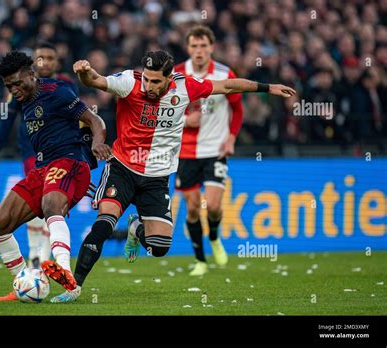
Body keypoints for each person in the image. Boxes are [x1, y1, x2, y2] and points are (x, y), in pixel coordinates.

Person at [53, 50, 295, 303]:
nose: (148, 85)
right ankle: (74, 286)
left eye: (155, 81)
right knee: (103, 225)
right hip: (122, 169)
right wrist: (84, 71)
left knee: (159, 248)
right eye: (147, 79)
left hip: (156, 178)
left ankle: (136, 227)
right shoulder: (130, 82)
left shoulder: (186, 87)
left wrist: (269, 88)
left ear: (170, 78)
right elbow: (96, 80)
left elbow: (228, 85)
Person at [0, 51, 111, 302]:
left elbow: (94, 120)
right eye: (8, 86)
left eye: (17, 82)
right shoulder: (23, 101)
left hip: (70, 161)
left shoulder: (58, 92)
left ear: (31, 75)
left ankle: (68, 277)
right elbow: (5, 121)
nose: (13, 89)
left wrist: (98, 143)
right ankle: (24, 282)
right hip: (42, 168)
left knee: (50, 205)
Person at [0, 42, 80, 270]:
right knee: (38, 203)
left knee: (50, 204)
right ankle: (37, 259)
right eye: (40, 58)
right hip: (31, 152)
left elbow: (79, 119)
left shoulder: (65, 86)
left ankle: (42, 259)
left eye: (50, 58)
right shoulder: (21, 85)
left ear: (56, 62)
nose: (45, 62)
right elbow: (7, 120)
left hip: (61, 154)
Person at [174, 25, 244, 276]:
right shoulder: (176, 74)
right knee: (192, 208)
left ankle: (214, 236)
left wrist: (231, 138)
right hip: (185, 153)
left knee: (213, 206)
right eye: (194, 46)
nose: (199, 50)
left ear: (212, 47)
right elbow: (164, 111)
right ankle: (200, 260)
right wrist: (184, 121)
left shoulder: (225, 73)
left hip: (215, 149)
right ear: (188, 48)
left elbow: (237, 108)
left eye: (203, 45)